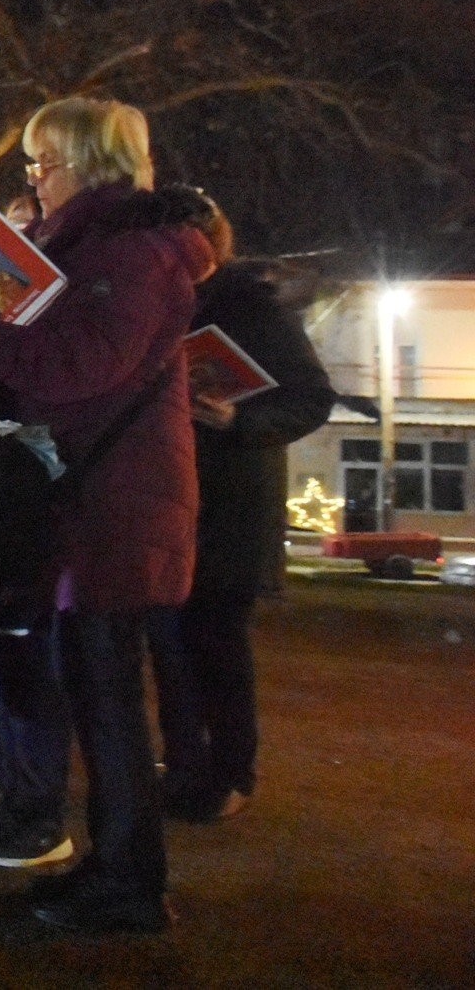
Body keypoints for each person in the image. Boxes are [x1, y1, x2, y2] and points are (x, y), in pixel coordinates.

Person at [0, 95, 215, 935]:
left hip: (118, 498)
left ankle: (131, 881)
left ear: (89, 162)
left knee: (112, 699)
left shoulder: (133, 252)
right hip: (96, 494)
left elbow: (79, 363)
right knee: (95, 691)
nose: (34, 176)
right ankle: (113, 864)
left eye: (45, 160)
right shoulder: (98, 247)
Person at [150, 194, 333, 824]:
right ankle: (183, 764)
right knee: (169, 641)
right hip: (168, 494)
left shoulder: (250, 304)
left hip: (229, 502)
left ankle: (230, 772)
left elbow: (309, 397)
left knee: (217, 641)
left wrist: (238, 418)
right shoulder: (155, 299)